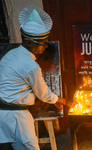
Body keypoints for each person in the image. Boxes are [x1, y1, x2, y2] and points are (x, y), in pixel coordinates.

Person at [0, 6, 66, 150]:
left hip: (3, 114)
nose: (44, 47)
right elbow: (43, 93)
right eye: (42, 43)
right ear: (29, 42)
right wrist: (61, 100)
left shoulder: (10, 54)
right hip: (17, 117)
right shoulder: (31, 66)